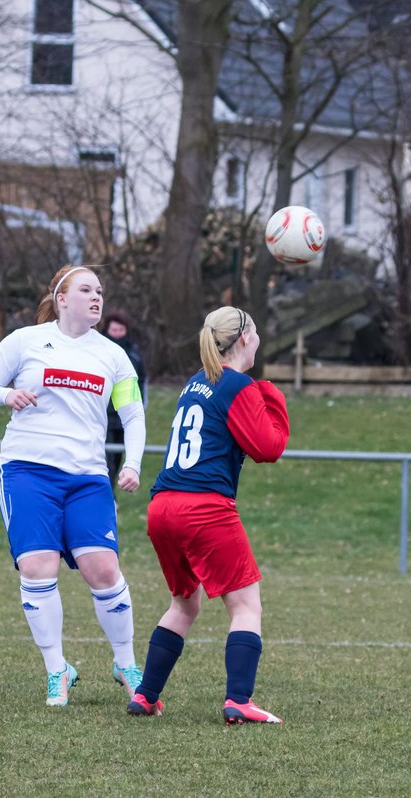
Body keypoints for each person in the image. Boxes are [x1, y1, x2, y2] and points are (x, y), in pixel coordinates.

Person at [0, 264, 148, 708]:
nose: (96, 297)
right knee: (37, 568)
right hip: (27, 471)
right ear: (61, 297)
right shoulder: (26, 341)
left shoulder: (112, 355)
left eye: (100, 291)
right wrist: (7, 395)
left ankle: (126, 663)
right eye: (86, 289)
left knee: (104, 570)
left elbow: (132, 414)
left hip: (87, 477)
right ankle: (57, 670)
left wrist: (132, 463)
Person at [127, 306, 290, 725]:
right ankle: (238, 699)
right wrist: (270, 394)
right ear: (244, 339)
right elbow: (268, 448)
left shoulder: (197, 382)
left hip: (163, 507)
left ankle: (145, 695)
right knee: (245, 606)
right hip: (203, 508)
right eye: (255, 330)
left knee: (184, 603)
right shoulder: (238, 385)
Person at [100, 310, 147, 491]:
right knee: (107, 461)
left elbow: (141, 379)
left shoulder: (133, 354)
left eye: (121, 330)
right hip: (104, 415)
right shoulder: (99, 351)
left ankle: (112, 491)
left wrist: (140, 404)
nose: (118, 333)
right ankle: (109, 494)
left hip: (124, 415)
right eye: (114, 329)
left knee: (118, 459)